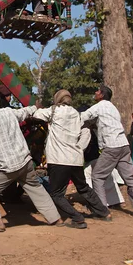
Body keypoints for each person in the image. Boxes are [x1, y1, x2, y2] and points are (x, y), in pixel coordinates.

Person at [0, 93, 71, 232]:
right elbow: (26, 112)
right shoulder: (10, 112)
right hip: (25, 162)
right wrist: (35, 106)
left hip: (9, 167)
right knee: (37, 190)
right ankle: (56, 219)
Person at [32, 89, 110, 227]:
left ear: (57, 99)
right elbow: (86, 132)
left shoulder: (54, 111)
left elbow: (37, 115)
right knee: (83, 188)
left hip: (58, 159)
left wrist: (37, 107)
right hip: (75, 159)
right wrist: (79, 148)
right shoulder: (77, 114)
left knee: (56, 194)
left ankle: (77, 218)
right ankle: (104, 212)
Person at [80, 85, 133, 220]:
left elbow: (84, 116)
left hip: (111, 147)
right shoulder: (113, 108)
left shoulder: (99, 106)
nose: (95, 93)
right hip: (123, 145)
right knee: (130, 179)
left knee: (97, 176)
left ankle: (103, 211)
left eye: (97, 91)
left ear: (102, 95)